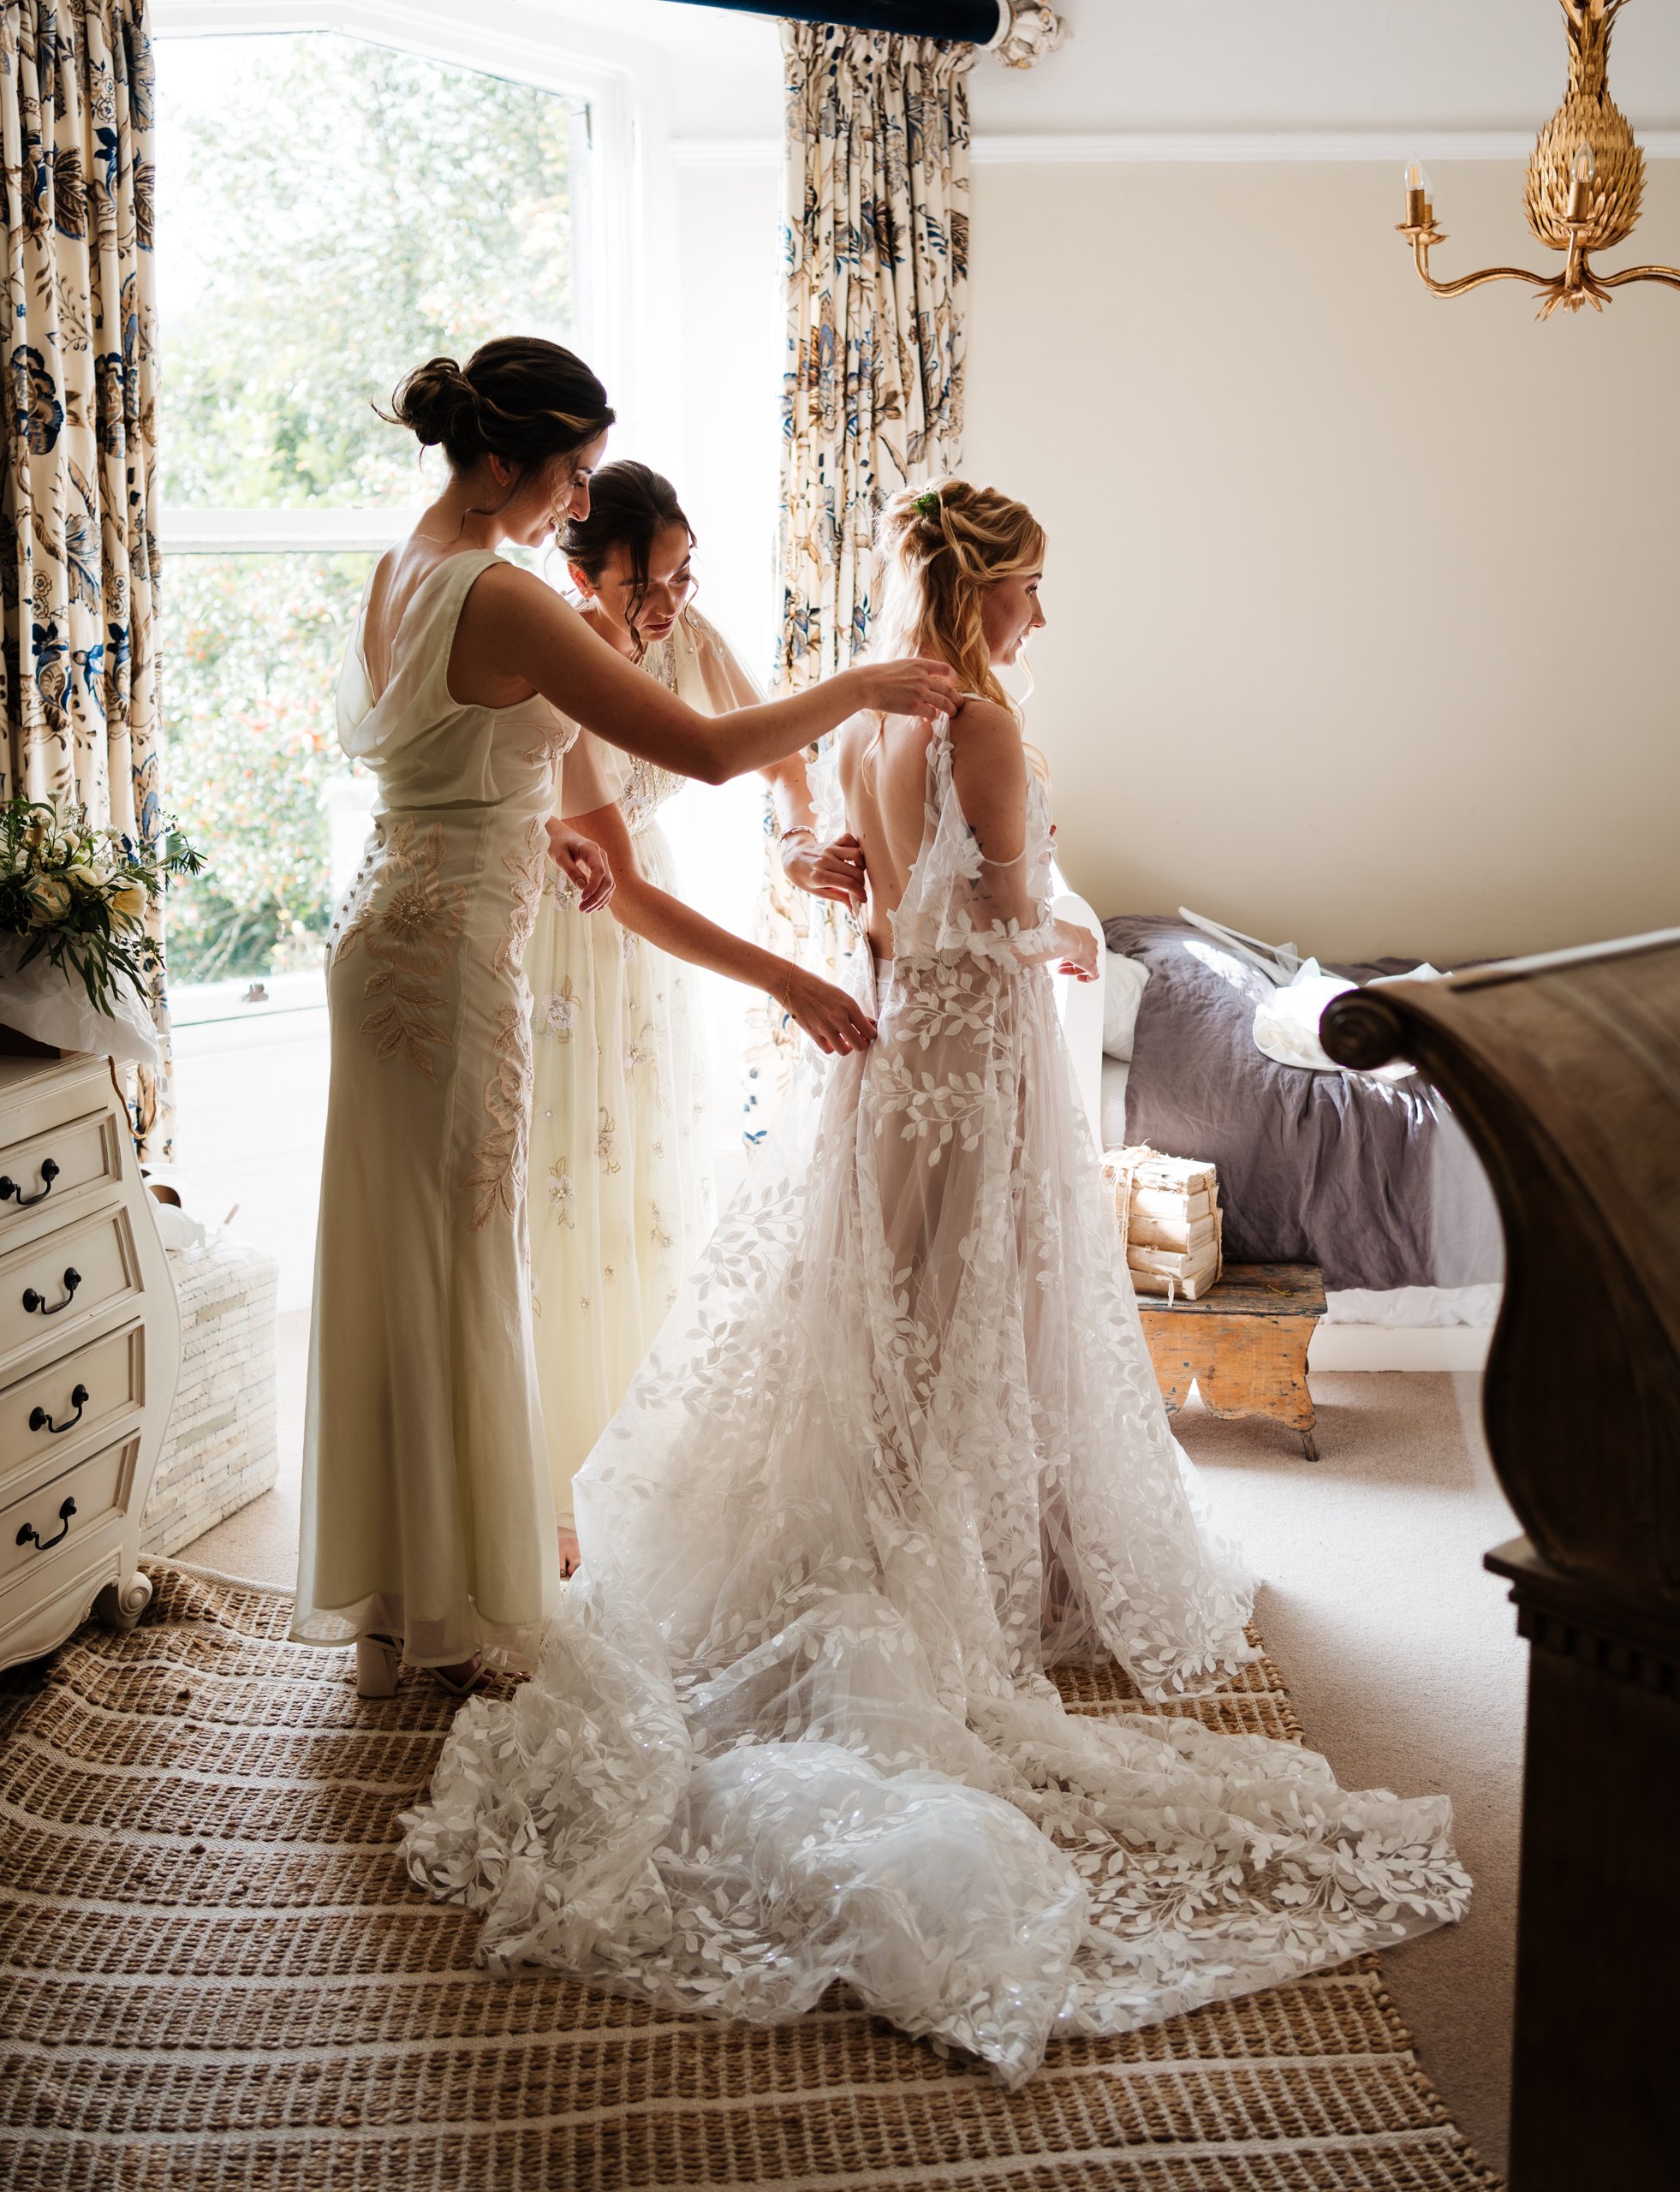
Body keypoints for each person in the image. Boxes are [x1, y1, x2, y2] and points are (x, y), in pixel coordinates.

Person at [402, 477, 1469, 2080]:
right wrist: (1064, 931)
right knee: (978, 1312)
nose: (1045, 614)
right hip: (978, 1060)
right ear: (983, 595)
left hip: (893, 1060)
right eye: (1033, 586)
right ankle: (978, 1560)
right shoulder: (980, 721)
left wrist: (921, 901)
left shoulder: (855, 724)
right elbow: (1009, 911)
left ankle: (912, 1523)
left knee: (890, 1312)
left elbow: (864, 878)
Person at [291, 339, 956, 1697]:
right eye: (571, 475)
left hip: (389, 930)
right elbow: (705, 753)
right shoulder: (508, 593)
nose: (573, 504)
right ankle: (471, 1607)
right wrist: (864, 687)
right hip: (455, 956)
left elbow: (438, 761)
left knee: (399, 1257)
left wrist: (544, 839)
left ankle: (400, 1595)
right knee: (463, 1260)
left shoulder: (400, 566)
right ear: (503, 462)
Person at [528, 460, 868, 1543]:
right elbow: (622, 874)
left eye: (684, 573)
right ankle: (555, 1473)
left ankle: (642, 1442)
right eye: (652, 580)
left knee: (647, 1172)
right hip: (572, 924)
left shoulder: (686, 635)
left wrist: (800, 844)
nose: (671, 600)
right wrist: (781, 975)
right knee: (572, 1177)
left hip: (648, 934)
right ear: (584, 562)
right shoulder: (557, 652)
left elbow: (779, 756)